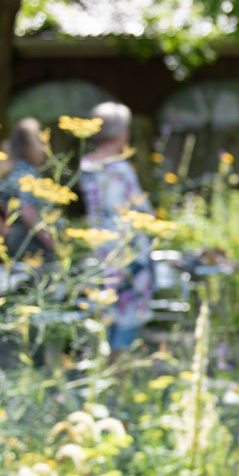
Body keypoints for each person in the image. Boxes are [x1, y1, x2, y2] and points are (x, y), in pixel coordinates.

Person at [79, 101, 154, 352]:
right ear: (120, 132)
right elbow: (136, 211)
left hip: (102, 250)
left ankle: (105, 377)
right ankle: (121, 382)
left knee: (105, 316)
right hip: (126, 251)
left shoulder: (87, 165)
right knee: (126, 320)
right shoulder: (118, 168)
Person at [0, 118, 58, 262]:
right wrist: (54, 245)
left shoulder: (7, 171)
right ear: (29, 144)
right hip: (32, 244)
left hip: (14, 242)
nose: (44, 144)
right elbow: (29, 214)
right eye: (40, 139)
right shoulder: (27, 174)